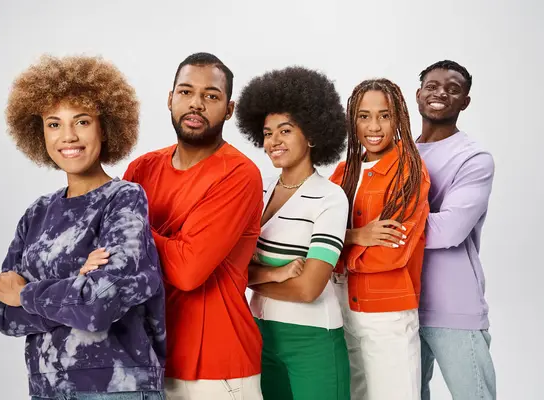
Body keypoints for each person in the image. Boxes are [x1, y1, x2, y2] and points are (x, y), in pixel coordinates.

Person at [0, 55, 166, 400]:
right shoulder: (36, 213)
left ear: (105, 126)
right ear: (38, 132)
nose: (68, 136)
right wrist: (76, 287)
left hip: (117, 388)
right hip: (45, 388)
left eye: (82, 121)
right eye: (54, 124)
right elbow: (2, 313)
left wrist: (28, 293)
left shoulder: (124, 199)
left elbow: (101, 305)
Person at [123, 53, 264, 400]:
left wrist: (131, 230)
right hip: (149, 360)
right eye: (186, 92)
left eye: (211, 96)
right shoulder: (141, 169)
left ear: (229, 109)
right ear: (170, 99)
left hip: (217, 370)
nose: (196, 104)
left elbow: (188, 270)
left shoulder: (239, 174)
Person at [236, 66, 350, 400]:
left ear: (312, 134)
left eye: (285, 130)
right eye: (268, 133)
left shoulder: (330, 197)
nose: (274, 141)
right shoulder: (258, 191)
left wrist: (248, 276)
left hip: (312, 339)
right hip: (260, 334)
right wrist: (277, 272)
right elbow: (232, 269)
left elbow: (308, 288)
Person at [330, 78, 431, 400]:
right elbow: (308, 236)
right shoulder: (343, 171)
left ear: (398, 118)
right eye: (364, 116)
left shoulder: (409, 171)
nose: (374, 126)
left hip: (386, 314)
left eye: (384, 116)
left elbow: (390, 253)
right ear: (352, 120)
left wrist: (333, 251)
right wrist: (358, 235)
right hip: (341, 309)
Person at [415, 60, 496, 400]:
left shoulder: (473, 158)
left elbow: (448, 230)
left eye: (453, 88)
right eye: (432, 86)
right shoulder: (394, 150)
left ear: (465, 101)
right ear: (418, 94)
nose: (440, 93)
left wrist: (380, 230)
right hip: (398, 305)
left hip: (453, 307)